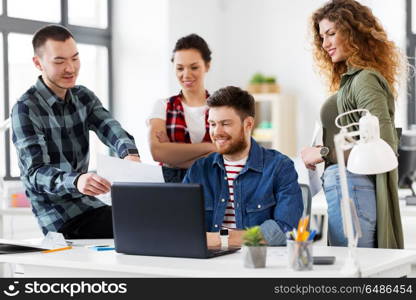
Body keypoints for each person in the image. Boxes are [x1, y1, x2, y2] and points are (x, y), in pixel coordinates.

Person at [11, 25, 140, 239]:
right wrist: (77, 181)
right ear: (38, 63)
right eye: (59, 61)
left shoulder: (83, 96)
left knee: (149, 213)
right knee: (140, 223)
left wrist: (129, 154)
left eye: (75, 58)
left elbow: (109, 126)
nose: (71, 68)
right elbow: (35, 173)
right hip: (60, 218)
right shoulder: (26, 108)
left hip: (92, 204)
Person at [301, 0, 404, 248]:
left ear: (353, 32)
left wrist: (323, 153)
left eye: (331, 34)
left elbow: (382, 145)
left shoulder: (365, 79)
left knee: (353, 276)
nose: (325, 44)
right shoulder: (352, 80)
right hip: (348, 187)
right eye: (321, 37)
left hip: (352, 188)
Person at [183, 86, 303, 247]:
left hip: (258, 261)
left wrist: (222, 240)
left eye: (225, 124)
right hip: (208, 262)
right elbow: (180, 224)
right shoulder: (199, 169)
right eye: (212, 124)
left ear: (248, 124)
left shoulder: (280, 167)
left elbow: (286, 229)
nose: (216, 132)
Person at [147, 34, 216, 183]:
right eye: (180, 68)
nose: (186, 75)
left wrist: (172, 159)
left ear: (207, 66)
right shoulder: (163, 106)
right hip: (172, 192)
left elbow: (227, 155)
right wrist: (210, 148)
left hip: (214, 189)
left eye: (194, 67)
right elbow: (157, 152)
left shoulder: (221, 107)